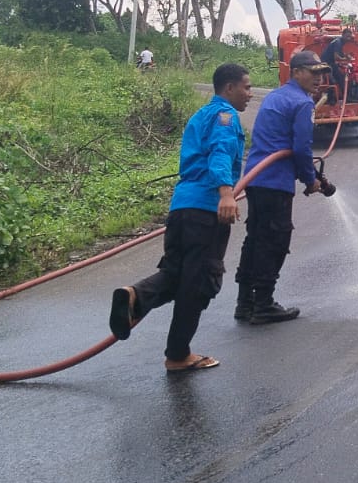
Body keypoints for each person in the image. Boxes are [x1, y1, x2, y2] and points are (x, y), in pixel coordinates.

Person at [108, 63, 251, 371]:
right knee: (197, 283)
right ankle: (177, 355)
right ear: (229, 88)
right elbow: (221, 153)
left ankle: (134, 295)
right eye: (247, 87)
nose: (250, 94)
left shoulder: (200, 116)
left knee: (176, 274)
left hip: (181, 209)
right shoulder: (226, 117)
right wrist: (226, 194)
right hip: (206, 209)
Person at [233, 50, 331, 324]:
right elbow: (301, 148)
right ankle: (263, 304)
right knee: (275, 241)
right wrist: (310, 179)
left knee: (255, 239)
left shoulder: (276, 96)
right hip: (275, 181)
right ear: (297, 71)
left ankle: (245, 302)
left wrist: (309, 175)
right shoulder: (302, 103)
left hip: (255, 178)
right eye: (313, 73)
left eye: (321, 73)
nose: (318, 79)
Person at [320, 27, 358, 101]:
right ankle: (333, 99)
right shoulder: (338, 42)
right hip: (326, 64)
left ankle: (345, 97)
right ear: (343, 35)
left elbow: (339, 54)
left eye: (349, 37)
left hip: (330, 63)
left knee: (340, 78)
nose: (348, 38)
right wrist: (346, 59)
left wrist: (346, 55)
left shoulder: (339, 42)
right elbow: (336, 57)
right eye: (347, 36)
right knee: (334, 80)